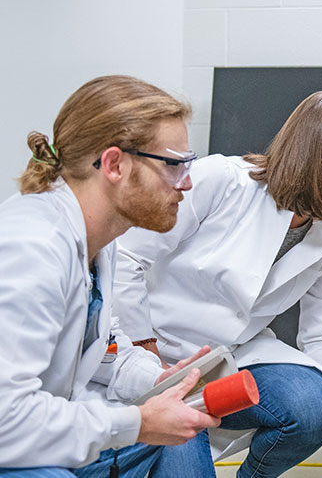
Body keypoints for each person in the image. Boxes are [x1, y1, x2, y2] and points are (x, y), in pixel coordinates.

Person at [112, 91, 322, 478]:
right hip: (155, 356)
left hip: (229, 358)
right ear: (310, 152)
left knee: (317, 402)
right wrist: (148, 353)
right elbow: (127, 256)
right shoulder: (221, 180)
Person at [0, 75, 221, 476]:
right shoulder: (33, 247)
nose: (187, 183)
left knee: (182, 422)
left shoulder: (100, 238)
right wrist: (137, 423)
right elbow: (5, 419)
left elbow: (103, 350)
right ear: (115, 164)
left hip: (41, 427)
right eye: (173, 165)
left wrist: (161, 378)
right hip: (12, 440)